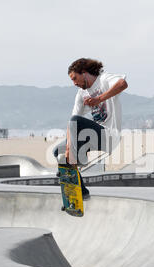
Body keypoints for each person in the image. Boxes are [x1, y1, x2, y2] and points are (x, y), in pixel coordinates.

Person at [53, 58, 128, 200]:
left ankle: (79, 159)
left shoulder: (104, 79)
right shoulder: (81, 94)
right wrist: (69, 147)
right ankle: (83, 192)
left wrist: (99, 99)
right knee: (58, 152)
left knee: (76, 122)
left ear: (84, 73)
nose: (75, 83)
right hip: (94, 136)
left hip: (110, 135)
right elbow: (72, 122)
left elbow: (123, 84)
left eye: (75, 78)